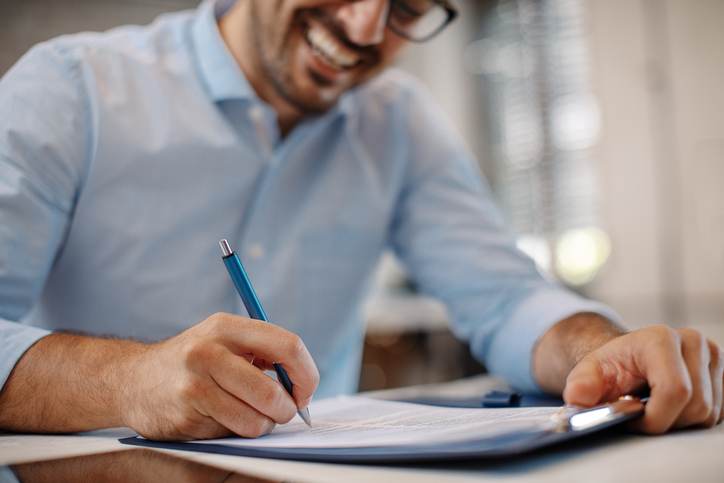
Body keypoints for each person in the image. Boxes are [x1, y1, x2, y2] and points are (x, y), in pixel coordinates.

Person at [0, 0, 721, 441]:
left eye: (408, 5)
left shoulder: (399, 122)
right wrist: (132, 382)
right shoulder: (70, 91)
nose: (365, 25)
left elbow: (505, 298)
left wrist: (603, 350)